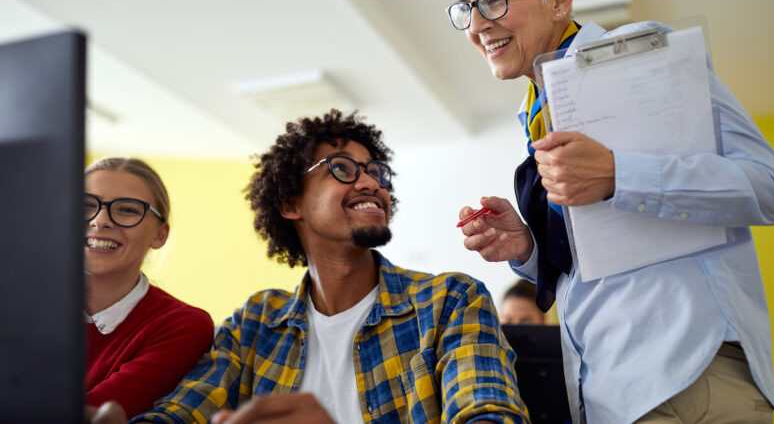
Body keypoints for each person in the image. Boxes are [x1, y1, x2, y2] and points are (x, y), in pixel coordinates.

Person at [448, 0, 774, 422]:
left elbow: (771, 189)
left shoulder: (646, 54)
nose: (476, 25)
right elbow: (594, 262)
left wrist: (619, 174)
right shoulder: (534, 112)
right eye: (465, 7)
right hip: (606, 394)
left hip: (690, 373)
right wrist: (526, 248)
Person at [87, 110, 527, 424]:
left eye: (376, 172)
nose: (371, 181)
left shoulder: (448, 301)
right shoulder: (255, 324)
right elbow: (180, 412)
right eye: (342, 168)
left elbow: (488, 414)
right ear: (290, 203)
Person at [84, 157, 215, 419]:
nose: (100, 220)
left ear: (159, 235)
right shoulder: (15, 303)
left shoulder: (184, 325)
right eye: (85, 205)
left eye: (127, 210)